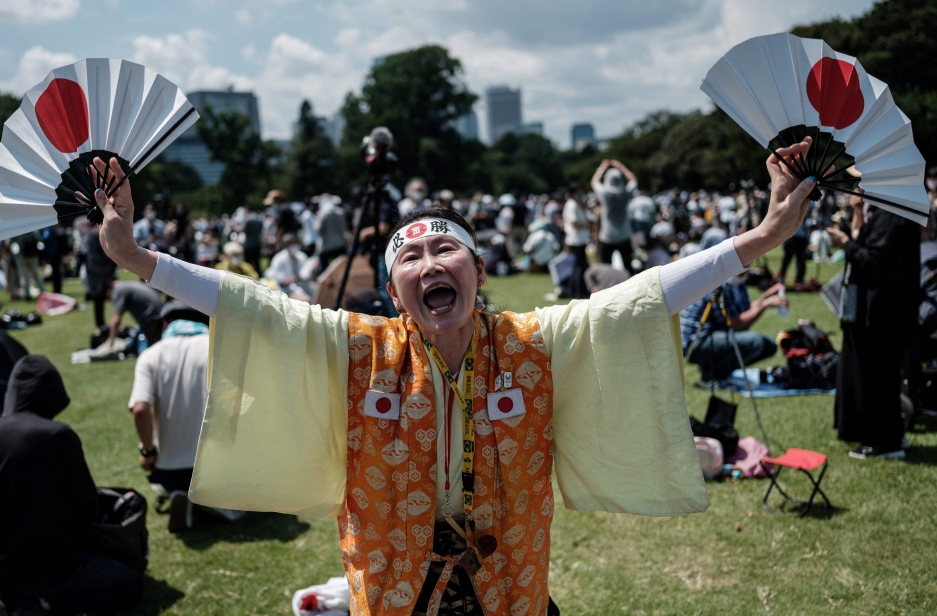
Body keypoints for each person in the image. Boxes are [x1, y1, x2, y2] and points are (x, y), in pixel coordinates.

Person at [88, 137, 815, 616]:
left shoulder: (533, 342)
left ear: (479, 270)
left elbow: (646, 295)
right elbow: (251, 304)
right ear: (395, 287)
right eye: (412, 258)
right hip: (396, 586)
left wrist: (760, 239)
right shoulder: (359, 347)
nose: (431, 263)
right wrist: (137, 257)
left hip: (509, 585)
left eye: (448, 250)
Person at [0, 356, 142, 614]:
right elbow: (86, 509)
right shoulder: (58, 435)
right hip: (53, 568)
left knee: (27, 574)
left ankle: (11, 599)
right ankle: (43, 604)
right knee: (129, 584)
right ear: (50, 394)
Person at [827, 193, 919, 459]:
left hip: (882, 311)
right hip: (883, 310)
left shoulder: (892, 215)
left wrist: (845, 243)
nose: (861, 187)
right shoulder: (892, 211)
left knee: (878, 377)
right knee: (882, 377)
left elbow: (874, 261)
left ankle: (883, 442)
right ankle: (890, 436)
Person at [129, 301, 213, 532]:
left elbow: (140, 409)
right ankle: (223, 506)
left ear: (166, 322)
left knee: (169, 477)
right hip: (218, 467)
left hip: (169, 471)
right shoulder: (220, 348)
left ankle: (181, 494)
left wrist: (148, 452)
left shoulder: (150, 356)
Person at [679, 233, 788, 384]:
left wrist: (766, 296)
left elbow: (745, 310)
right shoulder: (718, 281)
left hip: (714, 336)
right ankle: (712, 374)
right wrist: (765, 304)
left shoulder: (739, 279)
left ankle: (715, 370)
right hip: (696, 342)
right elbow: (735, 324)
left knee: (768, 345)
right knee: (755, 342)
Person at [591, 159, 636, 269]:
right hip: (624, 235)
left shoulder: (605, 194)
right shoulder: (625, 193)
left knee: (607, 269)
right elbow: (633, 180)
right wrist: (620, 166)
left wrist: (602, 167)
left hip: (607, 236)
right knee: (628, 267)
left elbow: (594, 182)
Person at [107, 280, 164, 347]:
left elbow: (116, 319)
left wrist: (110, 343)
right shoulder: (127, 285)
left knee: (132, 348)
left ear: (108, 292)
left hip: (153, 319)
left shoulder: (118, 290)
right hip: (161, 314)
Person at [561, 182, 591, 299]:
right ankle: (578, 292)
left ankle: (576, 291)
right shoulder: (572, 205)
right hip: (576, 240)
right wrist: (587, 225)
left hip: (580, 239)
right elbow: (574, 223)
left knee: (579, 266)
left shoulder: (575, 204)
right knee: (579, 268)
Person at [264, 233, 313, 301]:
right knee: (306, 300)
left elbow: (307, 274)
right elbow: (281, 283)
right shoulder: (278, 260)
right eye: (292, 244)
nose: (295, 246)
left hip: (304, 288)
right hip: (286, 291)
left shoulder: (302, 256)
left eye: (296, 243)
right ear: (286, 245)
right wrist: (297, 278)